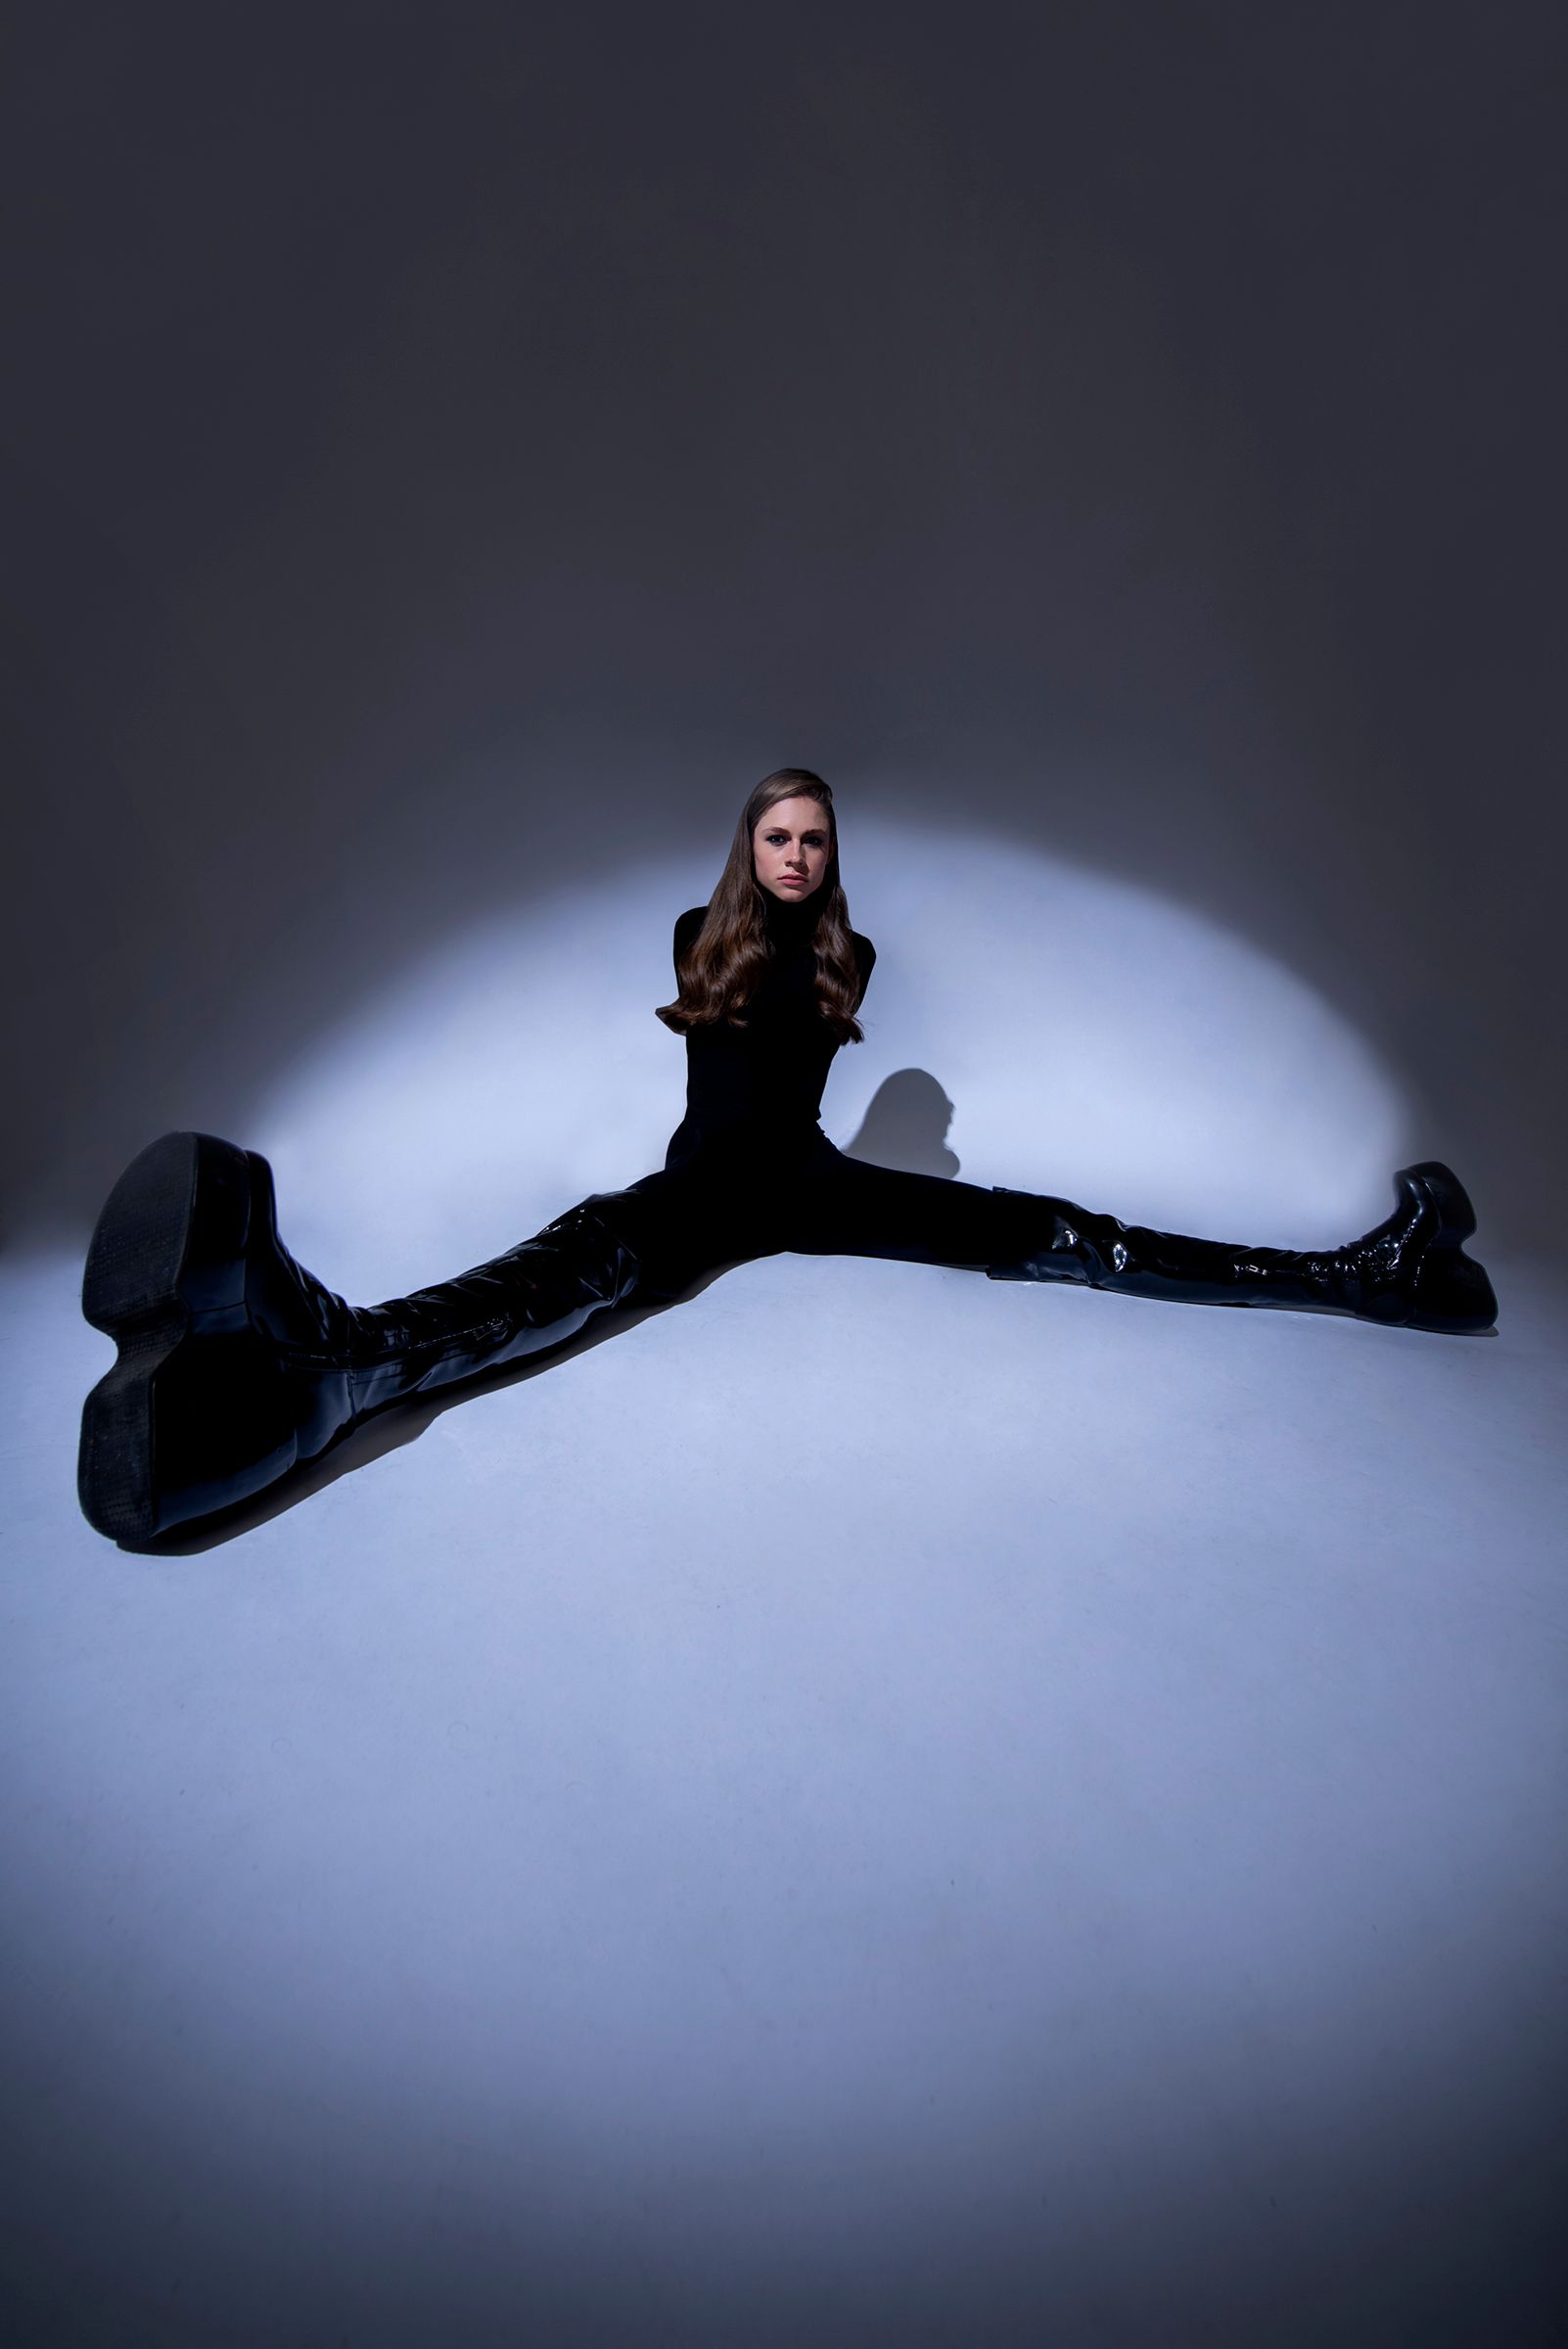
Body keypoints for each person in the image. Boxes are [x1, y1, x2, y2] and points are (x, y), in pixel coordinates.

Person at [76, 766, 1499, 1545]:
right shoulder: (694, 941)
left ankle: (1362, 1276)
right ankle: (322, 1368)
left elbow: (798, 1101)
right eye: (778, 836)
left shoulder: (848, 957)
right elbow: (724, 1101)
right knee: (550, 1284)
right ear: (747, 846)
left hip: (812, 1191)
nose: (799, 855)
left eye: (815, 839)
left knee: (1071, 1236)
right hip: (699, 1198)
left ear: (829, 852)